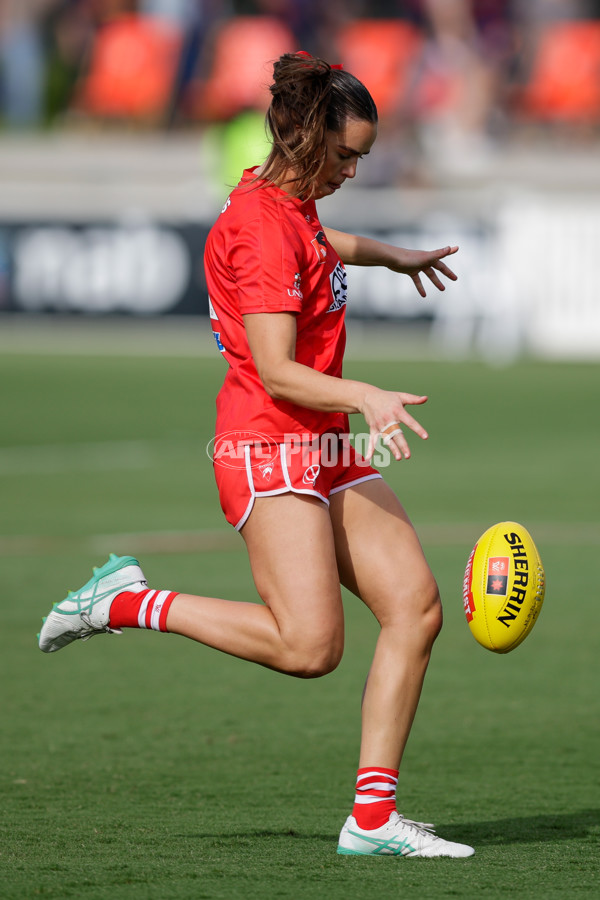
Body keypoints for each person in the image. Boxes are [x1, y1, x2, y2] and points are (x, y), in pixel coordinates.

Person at [38, 51, 474, 860]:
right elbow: (276, 369)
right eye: (345, 153)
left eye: (362, 156)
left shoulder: (287, 204)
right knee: (311, 648)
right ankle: (127, 602)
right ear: (308, 138)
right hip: (267, 443)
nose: (353, 168)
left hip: (320, 439)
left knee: (414, 606)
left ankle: (372, 821)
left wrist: (395, 254)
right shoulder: (262, 229)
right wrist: (368, 396)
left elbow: (324, 243)